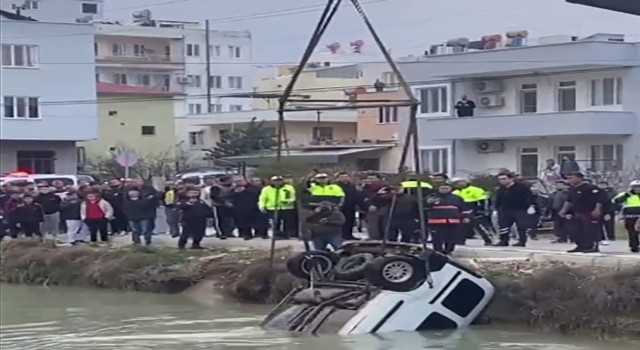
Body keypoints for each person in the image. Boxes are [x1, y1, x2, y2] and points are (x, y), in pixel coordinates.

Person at [559, 171, 608, 253]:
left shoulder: (590, 188)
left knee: (590, 230)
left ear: (579, 178)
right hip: (577, 212)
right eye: (568, 178)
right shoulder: (572, 190)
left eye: (572, 178)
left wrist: (597, 209)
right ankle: (581, 246)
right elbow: (569, 201)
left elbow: (600, 199)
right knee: (575, 230)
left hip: (589, 212)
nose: (569, 180)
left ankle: (593, 246)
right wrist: (563, 211)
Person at [493, 172, 537, 247]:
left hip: (520, 209)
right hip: (505, 210)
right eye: (500, 179)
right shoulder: (501, 189)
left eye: (504, 179)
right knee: (503, 226)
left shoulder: (522, 187)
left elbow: (530, 197)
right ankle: (504, 241)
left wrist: (531, 206)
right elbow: (498, 200)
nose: (502, 181)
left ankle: (522, 241)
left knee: (521, 226)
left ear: (511, 179)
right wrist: (496, 209)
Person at [451, 178, 495, 246]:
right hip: (461, 209)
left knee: (480, 225)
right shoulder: (455, 192)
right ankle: (460, 240)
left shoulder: (475, 189)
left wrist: (482, 210)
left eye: (461, 182)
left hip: (474, 208)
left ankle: (489, 240)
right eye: (456, 183)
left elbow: (483, 200)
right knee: (461, 226)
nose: (459, 184)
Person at [426, 182, 465, 255]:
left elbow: (463, 209)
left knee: (451, 238)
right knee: (437, 238)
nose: (444, 190)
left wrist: (465, 217)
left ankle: (448, 250)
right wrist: (428, 202)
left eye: (446, 188)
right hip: (436, 222)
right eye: (442, 188)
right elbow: (423, 206)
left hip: (452, 222)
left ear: (450, 189)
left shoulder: (457, 198)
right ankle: (438, 251)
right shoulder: (431, 197)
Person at [613, 180, 640, 253]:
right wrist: (626, 196)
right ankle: (634, 246)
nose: (637, 188)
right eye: (635, 187)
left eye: (638, 187)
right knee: (632, 232)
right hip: (630, 215)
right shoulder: (625, 194)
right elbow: (615, 201)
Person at [334, 172, 361, 240]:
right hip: (340, 207)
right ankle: (341, 236)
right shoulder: (336, 186)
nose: (344, 179)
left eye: (346, 177)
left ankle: (349, 235)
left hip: (351, 206)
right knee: (341, 221)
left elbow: (355, 195)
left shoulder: (352, 186)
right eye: (342, 177)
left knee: (350, 221)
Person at [596, 180, 617, 245]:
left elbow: (612, 203)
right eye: (600, 184)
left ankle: (611, 237)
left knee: (609, 225)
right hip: (598, 211)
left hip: (609, 211)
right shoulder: (596, 192)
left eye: (603, 184)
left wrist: (610, 212)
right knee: (599, 225)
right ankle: (602, 238)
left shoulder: (612, 192)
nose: (602, 186)